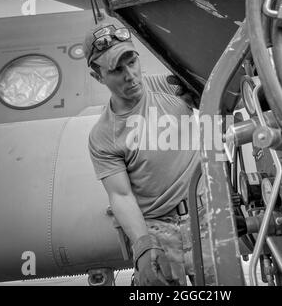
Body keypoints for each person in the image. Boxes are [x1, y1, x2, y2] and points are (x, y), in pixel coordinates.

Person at [83, 23, 211, 286]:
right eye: (117, 70)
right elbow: (121, 195)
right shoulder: (103, 135)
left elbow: (219, 99)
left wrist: (225, 193)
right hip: (157, 229)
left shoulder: (171, 87)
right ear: (98, 76)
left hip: (205, 214)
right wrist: (143, 246)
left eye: (132, 62)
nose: (130, 75)